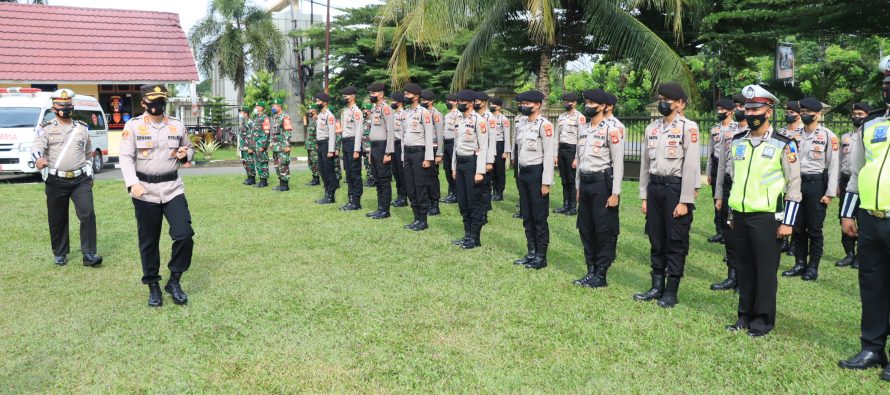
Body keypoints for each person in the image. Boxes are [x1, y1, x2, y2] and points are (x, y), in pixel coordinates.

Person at [718, 85, 801, 337]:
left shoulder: (784, 144)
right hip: (740, 215)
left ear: (769, 111)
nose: (751, 113)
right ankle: (744, 316)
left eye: (756, 109)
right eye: (748, 109)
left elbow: (794, 186)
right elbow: (735, 181)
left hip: (767, 217)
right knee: (744, 268)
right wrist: (731, 214)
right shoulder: (737, 142)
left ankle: (762, 320)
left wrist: (788, 222)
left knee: (764, 271)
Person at [837, 55, 890, 380]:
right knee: (871, 285)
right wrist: (847, 213)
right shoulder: (871, 125)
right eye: (886, 82)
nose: (887, 87)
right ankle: (872, 348)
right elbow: (856, 173)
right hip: (870, 218)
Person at [119, 84, 194, 307]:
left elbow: (189, 148)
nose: (157, 106)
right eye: (153, 102)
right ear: (144, 103)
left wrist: (185, 154)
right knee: (149, 241)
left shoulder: (177, 125)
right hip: (145, 191)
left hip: (172, 188)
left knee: (184, 235)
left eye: (161, 101)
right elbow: (125, 157)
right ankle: (153, 285)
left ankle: (174, 280)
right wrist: (132, 183)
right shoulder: (133, 126)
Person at [634, 83, 700, 308]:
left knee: (675, 240)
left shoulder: (688, 128)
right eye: (660, 99)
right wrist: (644, 196)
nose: (662, 103)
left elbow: (691, 166)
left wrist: (685, 201)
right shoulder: (652, 128)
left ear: (680, 104)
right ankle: (656, 286)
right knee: (656, 238)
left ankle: (671, 291)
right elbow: (645, 165)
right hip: (655, 188)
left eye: (667, 100)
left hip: (675, 189)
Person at [32, 88, 102, 267]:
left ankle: (89, 253)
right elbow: (37, 147)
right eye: (61, 105)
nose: (65, 108)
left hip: (80, 180)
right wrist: (39, 159)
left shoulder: (82, 128)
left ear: (72, 107)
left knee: (87, 214)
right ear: (53, 108)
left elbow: (88, 152)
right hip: (56, 180)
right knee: (57, 218)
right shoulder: (46, 128)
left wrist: (89, 172)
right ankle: (60, 253)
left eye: (68, 105)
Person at [782, 97, 839, 281]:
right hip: (796, 184)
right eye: (803, 112)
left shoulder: (828, 136)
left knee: (814, 229)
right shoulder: (795, 136)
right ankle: (799, 263)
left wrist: (829, 193)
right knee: (798, 227)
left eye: (809, 112)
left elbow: (834, 166)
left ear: (818, 114)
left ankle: (812, 267)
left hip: (816, 185)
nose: (805, 115)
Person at [572, 89, 622, 287]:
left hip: (602, 184)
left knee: (603, 230)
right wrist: (578, 186)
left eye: (592, 103)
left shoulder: (612, 130)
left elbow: (618, 164)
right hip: (585, 183)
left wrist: (615, 193)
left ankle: (601, 274)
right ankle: (590, 269)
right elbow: (580, 160)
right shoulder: (583, 129)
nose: (588, 106)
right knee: (586, 228)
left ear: (602, 106)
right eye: (587, 102)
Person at [513, 90, 555, 270]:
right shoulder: (522, 124)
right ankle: (531, 252)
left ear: (537, 105)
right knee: (527, 215)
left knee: (539, 217)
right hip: (524, 173)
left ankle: (540, 256)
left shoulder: (544, 125)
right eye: (523, 103)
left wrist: (546, 182)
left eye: (527, 103)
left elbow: (549, 154)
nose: (524, 106)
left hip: (537, 174)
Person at [709, 98, 743, 291]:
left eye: (743, 107)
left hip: (746, 189)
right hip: (729, 186)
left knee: (744, 235)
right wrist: (719, 195)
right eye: (737, 107)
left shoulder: (757, 135)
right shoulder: (729, 135)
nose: (740, 110)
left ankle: (744, 279)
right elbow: (721, 165)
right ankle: (732, 276)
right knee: (729, 233)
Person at [451, 89, 489, 249]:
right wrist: (454, 167)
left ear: (471, 103)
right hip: (460, 163)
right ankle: (467, 234)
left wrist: (480, 171)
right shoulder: (460, 120)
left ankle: (475, 238)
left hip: (472, 163)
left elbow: (483, 147)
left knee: (474, 201)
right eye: (458, 101)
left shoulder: (479, 121)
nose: (460, 104)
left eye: (463, 102)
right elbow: (456, 145)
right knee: (463, 201)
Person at [836, 103, 871, 269]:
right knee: (844, 216)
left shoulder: (869, 136)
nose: (856, 117)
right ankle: (849, 253)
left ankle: (860, 256)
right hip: (846, 181)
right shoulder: (846, 137)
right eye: (854, 114)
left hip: (863, 182)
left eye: (860, 114)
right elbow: (839, 161)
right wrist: (836, 183)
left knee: (863, 220)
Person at [399, 83, 436, 231]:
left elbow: (429, 136)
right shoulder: (405, 113)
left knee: (420, 186)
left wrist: (428, 158)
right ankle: (416, 217)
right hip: (408, 153)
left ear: (416, 96)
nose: (405, 96)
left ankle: (423, 220)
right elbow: (403, 136)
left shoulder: (424, 113)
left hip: (419, 153)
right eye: (405, 94)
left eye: (408, 94)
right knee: (410, 187)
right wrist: (403, 156)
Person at [706, 99, 737, 244]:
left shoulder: (736, 129)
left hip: (730, 167)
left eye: (722, 110)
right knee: (717, 198)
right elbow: (710, 152)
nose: (719, 112)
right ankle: (719, 231)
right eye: (718, 109)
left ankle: (729, 231)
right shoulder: (715, 130)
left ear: (730, 111)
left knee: (728, 201)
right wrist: (708, 172)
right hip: (716, 166)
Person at [364, 83, 397, 219]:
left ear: (381, 94)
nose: (371, 95)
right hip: (375, 147)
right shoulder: (374, 109)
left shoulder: (386, 108)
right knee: (377, 179)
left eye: (374, 93)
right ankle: (380, 208)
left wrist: (388, 152)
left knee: (384, 180)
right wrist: (371, 152)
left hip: (383, 147)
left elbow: (390, 131)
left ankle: (385, 210)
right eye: (370, 93)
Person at [555, 93, 584, 216]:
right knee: (564, 178)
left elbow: (581, 139)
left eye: (568, 102)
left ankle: (572, 206)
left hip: (572, 149)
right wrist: (555, 154)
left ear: (575, 103)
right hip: (561, 149)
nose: (566, 103)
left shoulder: (580, 117)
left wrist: (577, 158)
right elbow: (557, 136)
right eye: (564, 101)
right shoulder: (561, 117)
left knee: (571, 179)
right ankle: (565, 204)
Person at [340, 86, 364, 210]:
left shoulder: (357, 111)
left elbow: (359, 131)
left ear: (353, 97)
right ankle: (350, 199)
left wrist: (356, 150)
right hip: (346, 143)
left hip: (353, 143)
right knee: (348, 174)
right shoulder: (345, 111)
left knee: (355, 174)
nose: (344, 98)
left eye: (346, 96)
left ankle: (356, 201)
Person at [421, 89, 444, 215]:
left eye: (425, 100)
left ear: (431, 101)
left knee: (432, 177)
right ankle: (428, 202)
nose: (423, 102)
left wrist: (439, 153)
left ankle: (435, 205)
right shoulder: (422, 112)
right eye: (422, 100)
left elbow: (440, 134)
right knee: (424, 177)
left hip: (434, 148)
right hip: (423, 148)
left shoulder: (436, 114)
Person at [314, 93, 339, 204]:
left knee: (329, 171)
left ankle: (331, 196)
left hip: (327, 145)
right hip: (320, 144)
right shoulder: (320, 115)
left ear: (325, 102)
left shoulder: (330, 116)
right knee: (322, 170)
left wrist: (331, 150)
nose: (317, 103)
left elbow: (332, 134)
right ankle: (326, 193)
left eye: (318, 101)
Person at [488, 97, 512, 201]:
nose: (491, 106)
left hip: (499, 145)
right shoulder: (488, 117)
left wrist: (506, 151)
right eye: (490, 104)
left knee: (499, 171)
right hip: (490, 145)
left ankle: (500, 192)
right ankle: (494, 191)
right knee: (491, 170)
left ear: (498, 107)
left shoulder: (503, 119)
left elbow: (507, 136)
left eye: (493, 104)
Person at [269, 98, 292, 192]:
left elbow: (288, 132)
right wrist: (271, 143)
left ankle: (285, 185)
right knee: (277, 165)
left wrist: (287, 145)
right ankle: (281, 183)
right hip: (275, 146)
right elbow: (273, 132)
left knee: (283, 164)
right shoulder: (275, 117)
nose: (272, 108)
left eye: (273, 106)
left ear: (279, 106)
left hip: (282, 146)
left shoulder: (285, 117)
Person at [390, 92, 409, 208]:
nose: (392, 103)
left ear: (400, 102)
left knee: (402, 173)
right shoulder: (394, 114)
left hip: (401, 145)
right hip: (394, 145)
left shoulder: (404, 114)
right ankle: (399, 196)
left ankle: (404, 197)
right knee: (395, 172)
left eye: (393, 101)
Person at [441, 93, 460, 203]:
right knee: (447, 168)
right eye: (447, 101)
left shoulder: (458, 114)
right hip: (446, 143)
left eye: (451, 101)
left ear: (456, 102)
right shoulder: (447, 115)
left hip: (453, 143)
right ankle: (451, 192)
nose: (448, 102)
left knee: (454, 168)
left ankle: (456, 194)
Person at [251, 101, 271, 188]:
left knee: (263, 162)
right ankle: (261, 179)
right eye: (256, 106)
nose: (256, 108)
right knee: (258, 162)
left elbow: (266, 132)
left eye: (257, 106)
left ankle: (264, 181)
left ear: (262, 108)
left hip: (260, 145)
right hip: (255, 144)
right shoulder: (256, 117)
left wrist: (263, 145)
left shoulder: (265, 118)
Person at [237, 105, 256, 185]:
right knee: (245, 162)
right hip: (243, 147)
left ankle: (252, 179)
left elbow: (253, 135)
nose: (241, 114)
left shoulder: (250, 122)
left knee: (250, 162)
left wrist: (251, 147)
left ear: (246, 113)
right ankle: (249, 177)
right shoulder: (244, 122)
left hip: (248, 147)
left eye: (242, 112)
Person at [304, 104, 320, 186]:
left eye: (310, 109)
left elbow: (319, 133)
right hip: (309, 145)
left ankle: (316, 179)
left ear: (315, 110)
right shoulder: (310, 120)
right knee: (310, 162)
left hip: (314, 145)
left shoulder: (318, 120)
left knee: (315, 162)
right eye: (308, 109)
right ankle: (314, 177)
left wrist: (317, 144)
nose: (309, 111)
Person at [361, 103, 375, 187]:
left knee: (371, 163)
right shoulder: (363, 121)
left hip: (370, 146)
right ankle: (369, 178)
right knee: (366, 163)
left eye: (365, 110)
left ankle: (373, 179)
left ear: (369, 111)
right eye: (363, 110)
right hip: (363, 146)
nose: (363, 112)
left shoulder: (372, 121)